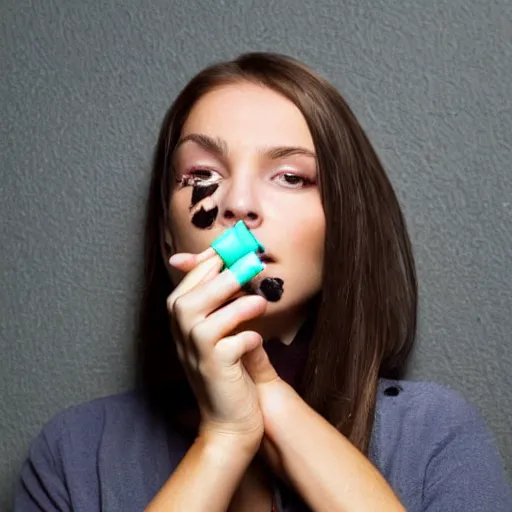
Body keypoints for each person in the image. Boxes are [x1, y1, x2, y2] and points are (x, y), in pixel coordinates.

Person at [14, 52, 512, 512]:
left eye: (291, 177)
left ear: (341, 230)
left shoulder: (434, 437)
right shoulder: (73, 455)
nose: (238, 204)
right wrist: (225, 437)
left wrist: (268, 395)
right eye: (202, 172)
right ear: (168, 238)